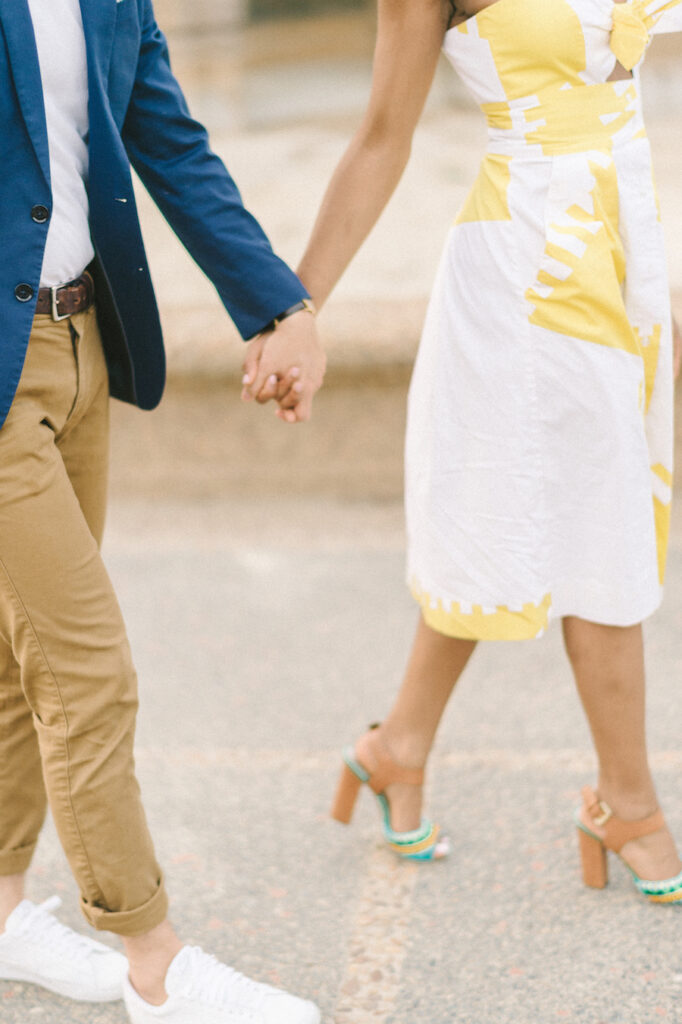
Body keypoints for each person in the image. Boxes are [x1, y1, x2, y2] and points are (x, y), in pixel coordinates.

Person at [250, 0, 682, 899]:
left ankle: (395, 750)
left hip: (621, 245)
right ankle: (628, 804)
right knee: (600, 524)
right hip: (529, 271)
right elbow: (380, 139)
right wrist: (291, 312)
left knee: (503, 525)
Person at [0, 1, 325, 1022]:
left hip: (80, 342)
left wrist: (279, 303)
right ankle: (153, 962)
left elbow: (166, 138)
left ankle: (1, 907)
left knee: (23, 659)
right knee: (86, 663)